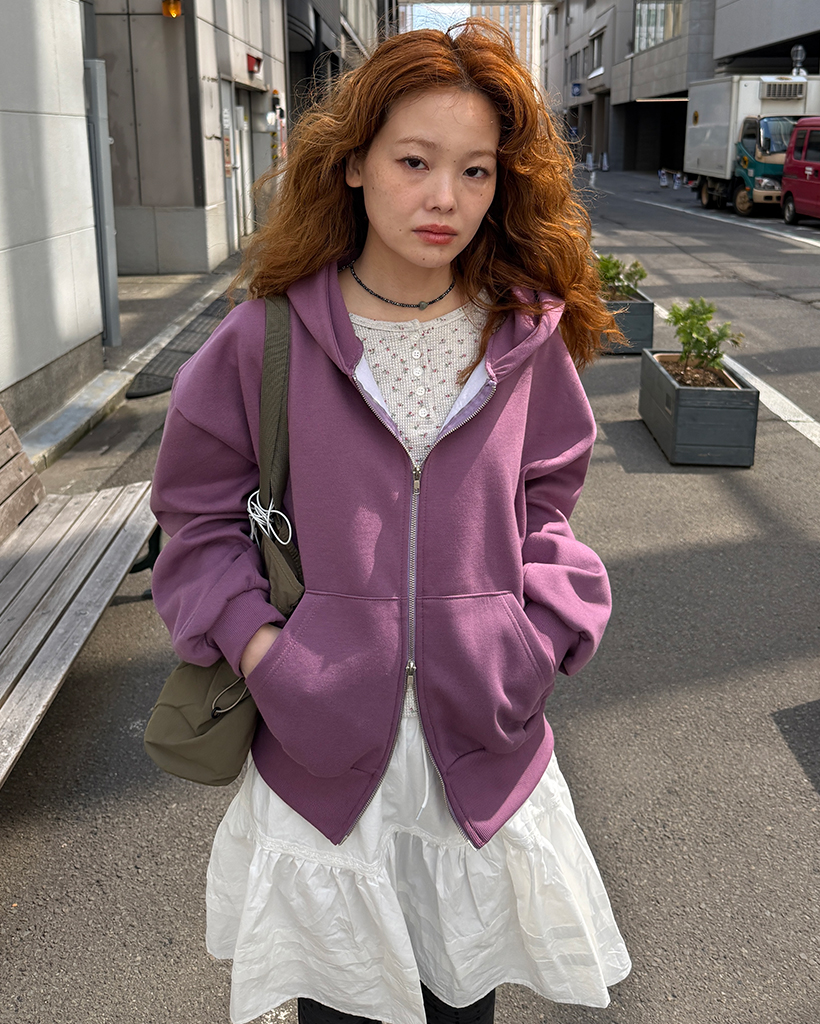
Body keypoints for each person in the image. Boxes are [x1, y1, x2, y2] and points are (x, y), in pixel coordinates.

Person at [150, 19, 631, 1024]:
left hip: (480, 750)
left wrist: (534, 639)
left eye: (475, 171)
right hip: (323, 758)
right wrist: (268, 653)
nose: (444, 197)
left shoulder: (521, 337)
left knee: (464, 1006)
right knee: (341, 1009)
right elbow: (196, 521)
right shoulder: (265, 340)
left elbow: (549, 508)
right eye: (415, 161)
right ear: (355, 163)